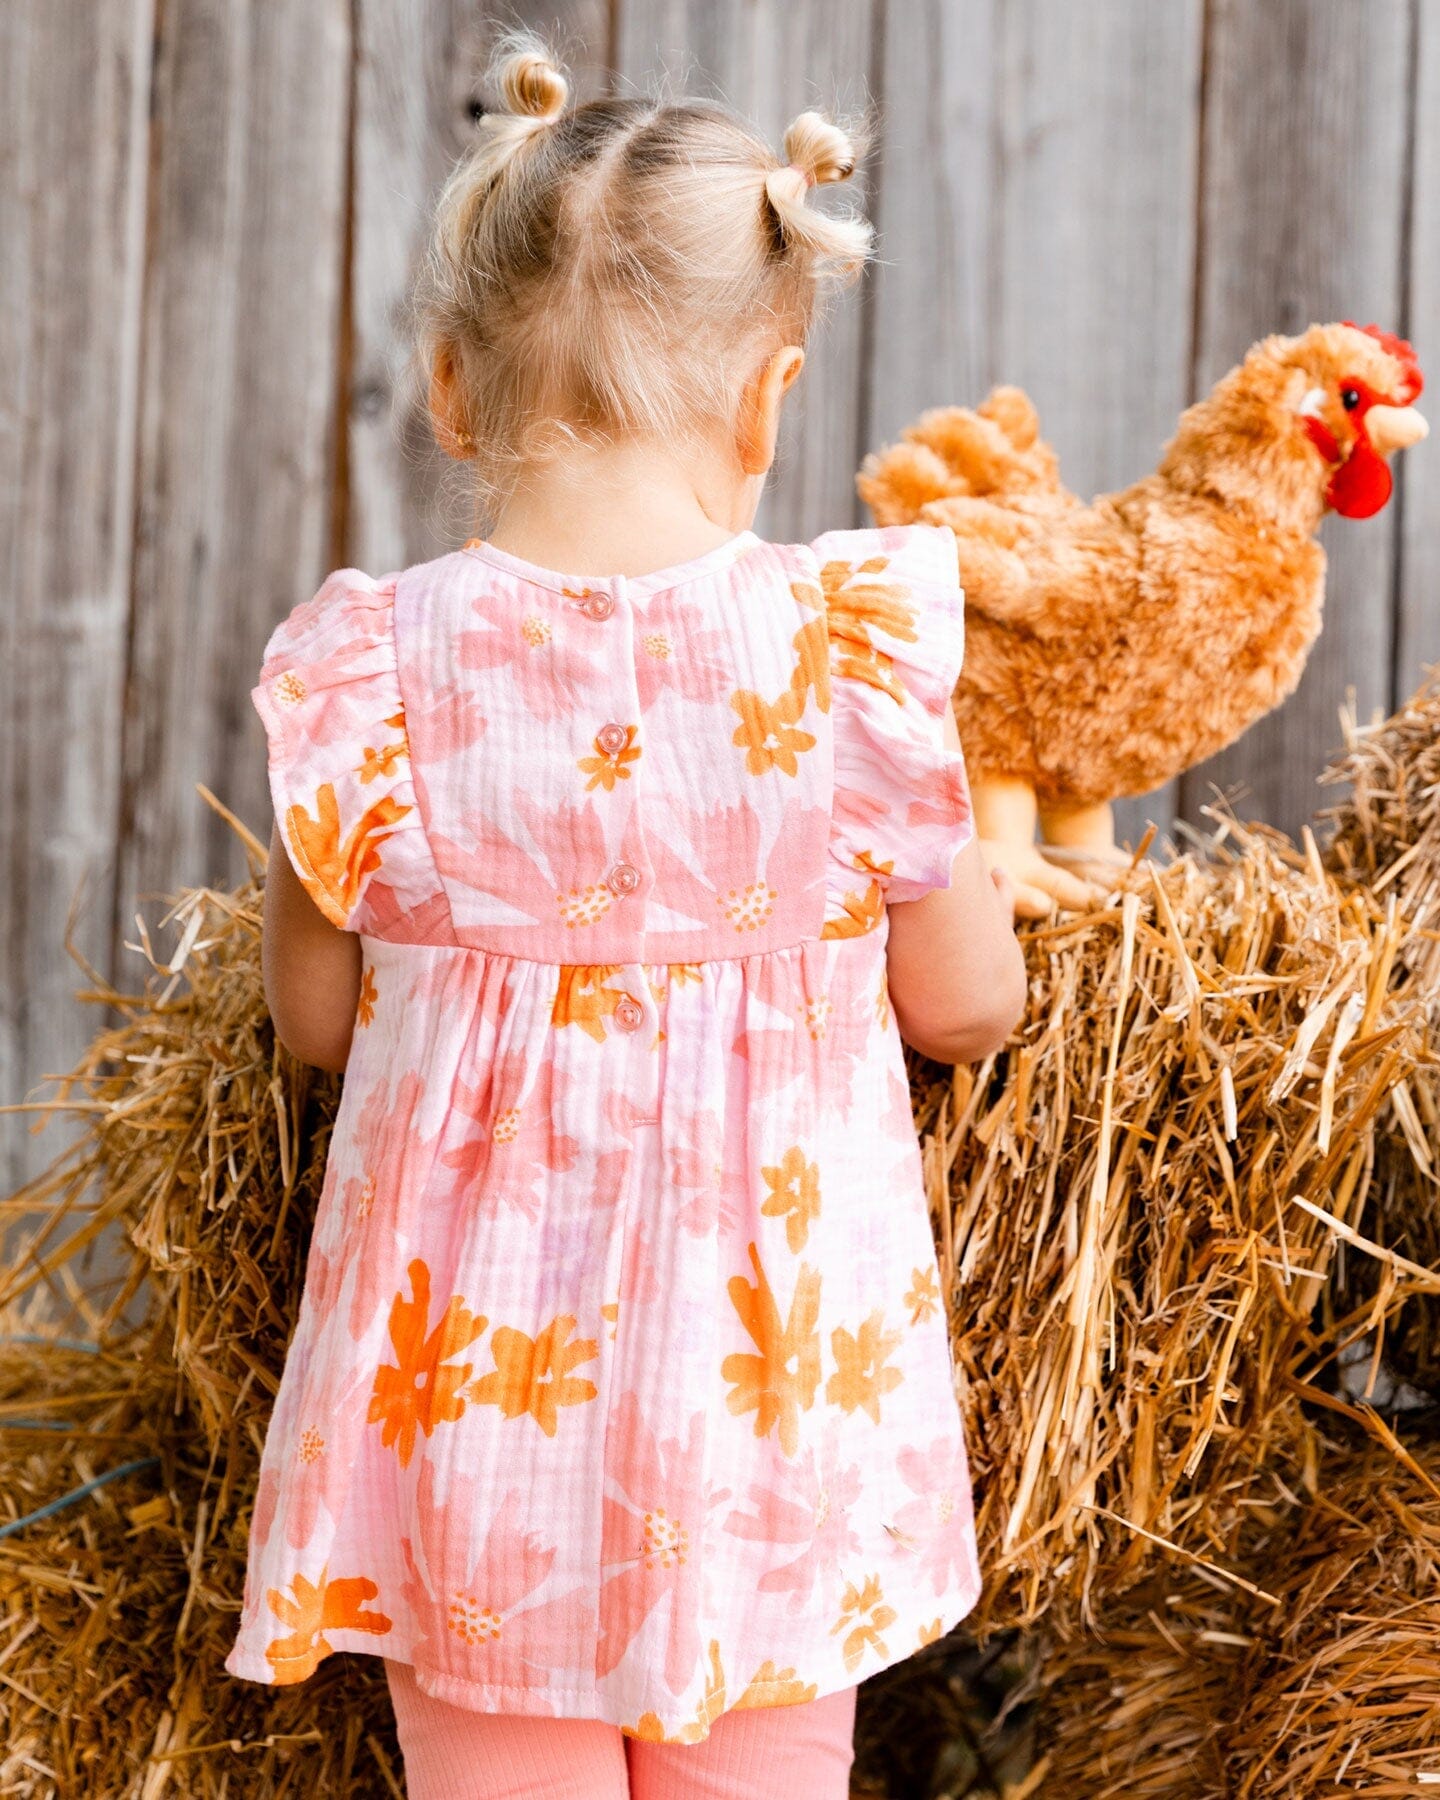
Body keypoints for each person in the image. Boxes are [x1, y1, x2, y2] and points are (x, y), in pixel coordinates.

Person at [223, 35, 1026, 1800]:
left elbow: (311, 1021)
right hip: (766, 1422)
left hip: (470, 1443)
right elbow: (968, 1006)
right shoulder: (856, 662)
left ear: (448, 386)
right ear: (767, 400)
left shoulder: (364, 671)